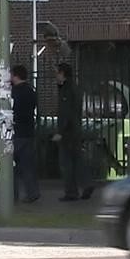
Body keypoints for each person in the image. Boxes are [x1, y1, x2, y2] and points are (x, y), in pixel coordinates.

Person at [52, 62, 95, 201]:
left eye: (57, 73)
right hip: (75, 129)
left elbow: (66, 112)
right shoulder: (73, 88)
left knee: (67, 163)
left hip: (68, 131)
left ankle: (71, 191)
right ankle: (86, 183)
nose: (55, 76)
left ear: (63, 73)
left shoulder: (67, 90)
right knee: (78, 159)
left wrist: (61, 131)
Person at [10, 65, 40, 203]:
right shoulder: (30, 90)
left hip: (17, 131)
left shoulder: (14, 92)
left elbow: (12, 109)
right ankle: (32, 192)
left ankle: (12, 194)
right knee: (28, 165)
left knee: (11, 165)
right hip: (29, 131)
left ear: (15, 76)